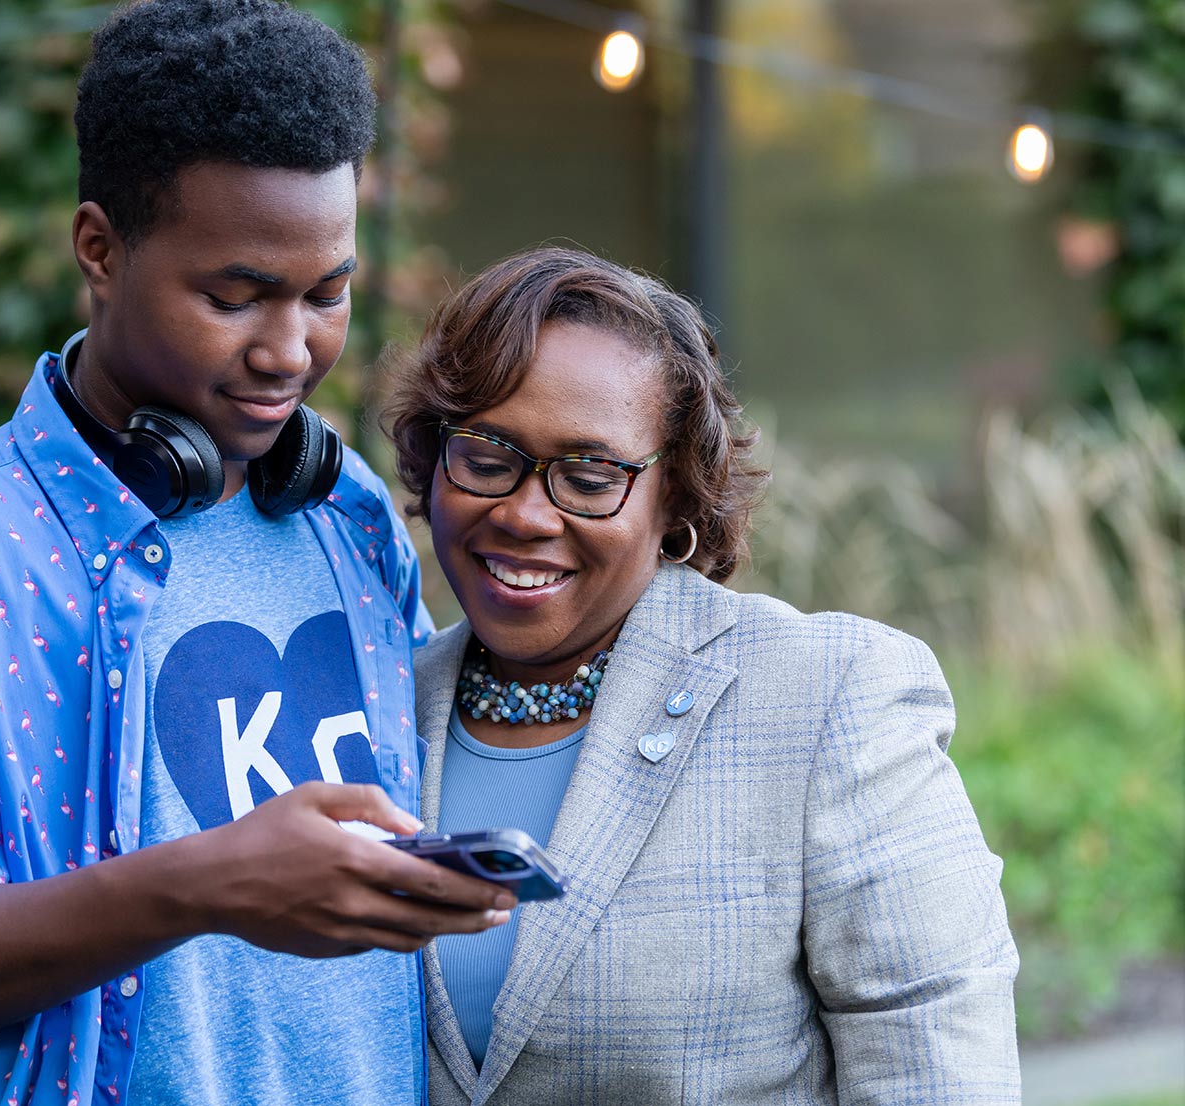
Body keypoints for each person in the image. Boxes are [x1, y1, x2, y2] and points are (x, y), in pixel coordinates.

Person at [0, 3, 516, 1104]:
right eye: (233, 297)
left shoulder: (349, 512)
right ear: (99, 248)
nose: (289, 352)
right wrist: (206, 883)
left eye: (326, 293)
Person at [383, 246, 1021, 1105]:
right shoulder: (379, 706)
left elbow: (940, 1075)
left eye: (589, 476)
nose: (526, 514)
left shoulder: (825, 696)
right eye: (489, 458)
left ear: (675, 496)